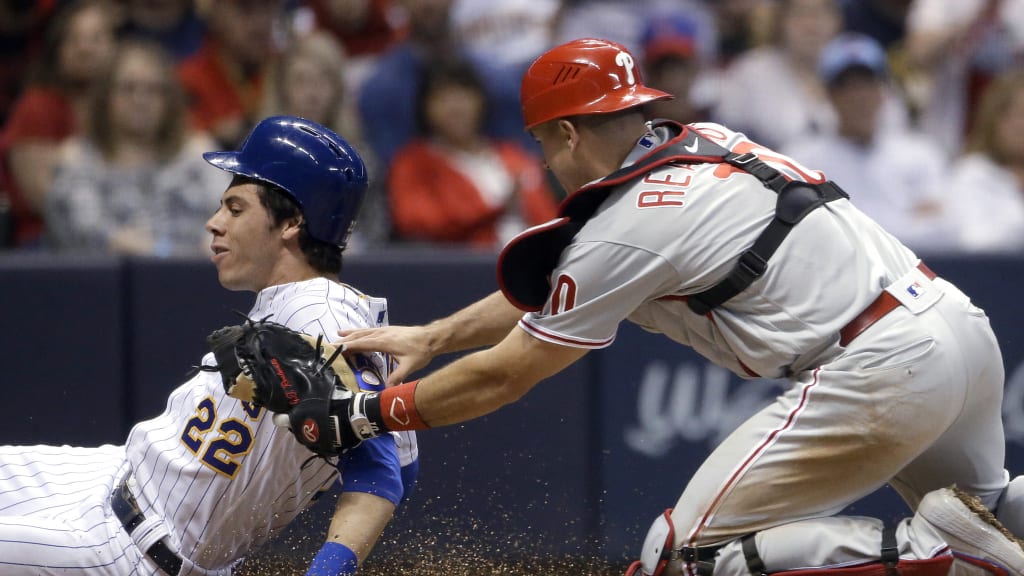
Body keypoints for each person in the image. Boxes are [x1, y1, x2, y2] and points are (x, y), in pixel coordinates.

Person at [335, 38, 1024, 575]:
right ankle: (968, 542)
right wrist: (434, 335)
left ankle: (930, 552)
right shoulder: (710, 141)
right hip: (953, 325)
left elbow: (505, 374)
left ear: (570, 135)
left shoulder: (627, 228)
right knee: (995, 518)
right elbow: (559, 293)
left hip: (879, 365)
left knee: (684, 557)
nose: (543, 160)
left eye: (544, 141)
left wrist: (367, 414)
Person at [0, 115, 418, 575]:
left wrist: (327, 569)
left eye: (236, 209)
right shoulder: (310, 306)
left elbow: (381, 472)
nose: (214, 223)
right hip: (105, 477)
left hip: (131, 554)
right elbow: (405, 461)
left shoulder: (319, 318)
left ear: (291, 223)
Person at [46, 40, 228, 257]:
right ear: (105, 97)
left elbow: (229, 221)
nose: (141, 100)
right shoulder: (77, 158)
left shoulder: (198, 154)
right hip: (103, 284)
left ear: (169, 99)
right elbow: (85, 234)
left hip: (195, 281)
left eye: (153, 90)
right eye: (128, 88)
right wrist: (162, 254)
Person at [781, 33, 954, 255]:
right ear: (829, 95)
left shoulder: (920, 153)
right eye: (846, 87)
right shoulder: (801, 159)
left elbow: (944, 230)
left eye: (867, 84)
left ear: (883, 91)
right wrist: (906, 224)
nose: (859, 97)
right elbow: (800, 234)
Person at [387, 58, 558, 249]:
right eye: (442, 98)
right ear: (424, 107)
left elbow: (548, 221)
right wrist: (495, 211)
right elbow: (413, 220)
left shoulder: (513, 155)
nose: (455, 108)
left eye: (464, 95)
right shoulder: (412, 163)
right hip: (461, 269)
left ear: (481, 100)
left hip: (532, 262)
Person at [0, 0, 118, 246]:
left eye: (96, 39)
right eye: (73, 39)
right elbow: (40, 196)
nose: (85, 48)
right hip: (48, 240)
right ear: (57, 49)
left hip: (126, 234)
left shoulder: (129, 106)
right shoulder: (37, 106)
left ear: (116, 48)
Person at [941, 69, 1024, 254]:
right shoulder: (972, 174)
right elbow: (973, 241)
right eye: (1015, 114)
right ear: (993, 120)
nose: (1021, 125)